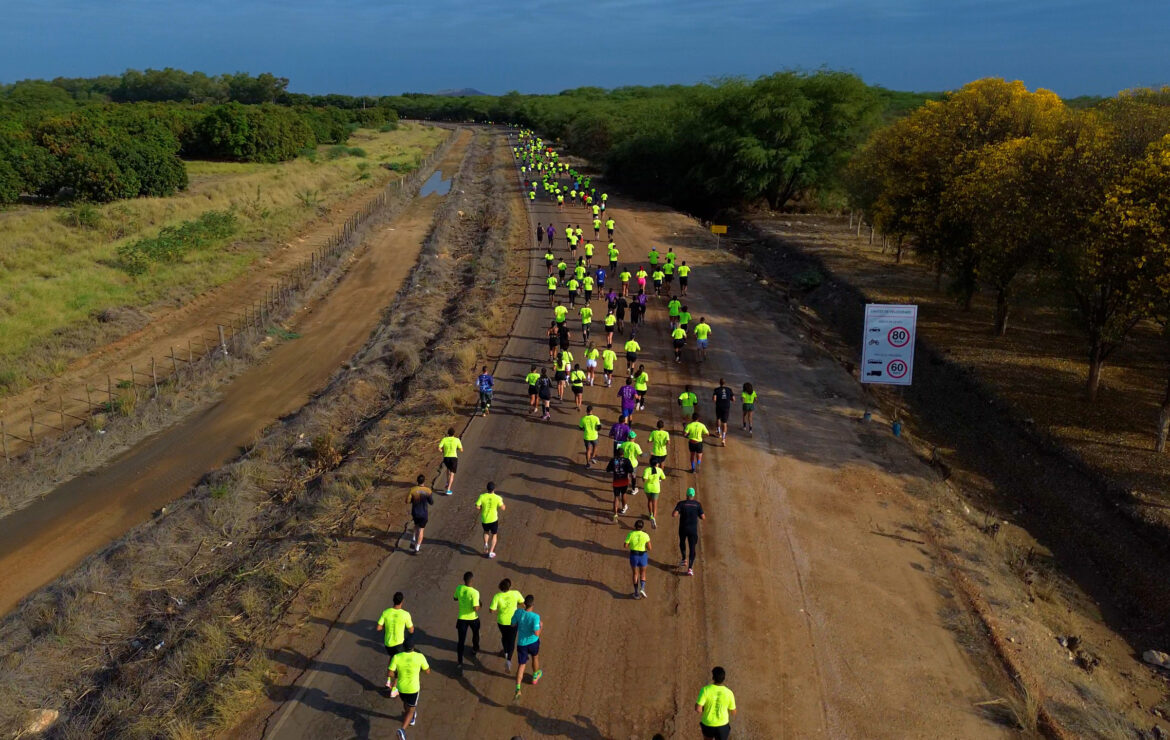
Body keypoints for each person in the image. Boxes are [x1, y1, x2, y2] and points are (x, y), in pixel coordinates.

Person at [387, 637, 430, 739]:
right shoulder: (419, 657)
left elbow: (389, 673)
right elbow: (428, 671)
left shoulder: (397, 657)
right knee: (411, 710)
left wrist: (398, 674)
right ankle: (402, 730)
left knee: (406, 704)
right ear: (413, 647)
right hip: (413, 688)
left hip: (401, 687)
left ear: (403, 647)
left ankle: (409, 716)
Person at [511, 594, 542, 699]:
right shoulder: (535, 617)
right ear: (533, 604)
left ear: (524, 604)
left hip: (521, 644)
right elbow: (537, 633)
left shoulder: (518, 612)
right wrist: (541, 626)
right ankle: (535, 676)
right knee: (535, 657)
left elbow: (512, 624)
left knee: (521, 665)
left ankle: (518, 688)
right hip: (533, 642)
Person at [490, 579, 525, 671]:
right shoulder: (516, 593)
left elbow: (492, 610)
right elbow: (523, 604)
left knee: (504, 637)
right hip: (513, 621)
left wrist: (497, 608)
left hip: (501, 622)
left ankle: (505, 652)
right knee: (512, 640)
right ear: (510, 586)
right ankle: (508, 660)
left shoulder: (497, 596)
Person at [696, 666, 736, 739]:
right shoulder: (729, 693)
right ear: (723, 678)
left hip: (708, 724)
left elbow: (698, 710)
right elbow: (733, 712)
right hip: (722, 726)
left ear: (713, 677)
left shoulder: (705, 690)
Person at [673, 487, 705, 575]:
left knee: (682, 542)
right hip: (693, 530)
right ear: (693, 495)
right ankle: (690, 568)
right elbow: (703, 517)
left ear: (686, 495)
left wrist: (678, 511)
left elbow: (674, 514)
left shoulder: (681, 504)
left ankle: (684, 559)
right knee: (692, 548)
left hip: (683, 528)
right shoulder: (697, 504)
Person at [454, 571, 481, 669]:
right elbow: (475, 608)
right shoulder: (475, 592)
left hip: (461, 619)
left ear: (464, 580)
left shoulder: (459, 588)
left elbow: (455, 598)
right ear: (472, 580)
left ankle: (459, 661)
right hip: (473, 618)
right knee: (475, 634)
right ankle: (475, 649)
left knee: (461, 641)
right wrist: (479, 605)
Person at [377, 591, 415, 661]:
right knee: (401, 661)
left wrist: (387, 626)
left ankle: (390, 670)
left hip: (388, 644)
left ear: (393, 600)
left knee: (393, 658)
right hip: (399, 644)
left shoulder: (385, 612)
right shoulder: (405, 614)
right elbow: (411, 630)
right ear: (402, 601)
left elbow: (378, 628)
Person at [476, 483, 505, 559]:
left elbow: (477, 506)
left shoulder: (482, 496)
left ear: (487, 488)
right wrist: (502, 505)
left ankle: (486, 544)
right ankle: (491, 551)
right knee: (494, 534)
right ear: (494, 489)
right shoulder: (498, 498)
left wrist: (482, 509)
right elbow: (503, 508)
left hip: (484, 519)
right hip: (493, 519)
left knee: (486, 532)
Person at [624, 519, 651, 598]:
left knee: (635, 573)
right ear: (642, 527)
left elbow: (625, 545)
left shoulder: (630, 534)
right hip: (643, 556)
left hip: (634, 556)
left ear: (635, 526)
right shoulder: (646, 535)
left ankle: (636, 593)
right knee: (643, 573)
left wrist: (632, 544)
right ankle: (642, 588)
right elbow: (650, 548)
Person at [406, 475, 434, 553]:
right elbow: (431, 502)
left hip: (415, 512)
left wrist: (413, 500)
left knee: (416, 525)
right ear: (424, 481)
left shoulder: (412, 490)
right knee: (421, 530)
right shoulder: (428, 490)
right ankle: (417, 548)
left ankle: (413, 539)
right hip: (423, 513)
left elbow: (407, 501)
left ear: (417, 481)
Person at [607, 453, 633, 520]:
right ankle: (624, 507)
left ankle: (615, 514)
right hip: (624, 481)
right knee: (624, 494)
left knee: (616, 497)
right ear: (623, 454)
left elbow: (608, 470)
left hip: (616, 481)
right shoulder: (626, 460)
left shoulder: (613, 460)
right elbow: (631, 470)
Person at [642, 462, 666, 529]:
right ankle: (654, 519)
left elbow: (644, 480)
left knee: (649, 501)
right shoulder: (659, 470)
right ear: (656, 464)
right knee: (654, 504)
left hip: (648, 488)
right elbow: (664, 478)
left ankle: (650, 515)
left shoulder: (647, 470)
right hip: (656, 489)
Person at [438, 428, 462, 495]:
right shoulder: (457, 440)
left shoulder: (444, 439)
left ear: (448, 433)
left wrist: (443, 451)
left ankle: (447, 482)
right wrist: (457, 448)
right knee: (452, 474)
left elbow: (439, 448)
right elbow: (461, 450)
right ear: (454, 433)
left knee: (448, 468)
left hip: (446, 458)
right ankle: (448, 489)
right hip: (454, 458)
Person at [712, 379, 734, 445]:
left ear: (719, 383)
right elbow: (733, 399)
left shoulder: (716, 390)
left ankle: (719, 433)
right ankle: (723, 439)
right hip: (726, 407)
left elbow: (714, 399)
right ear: (725, 383)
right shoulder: (729, 389)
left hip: (719, 406)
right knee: (724, 422)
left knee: (718, 418)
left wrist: (718, 401)